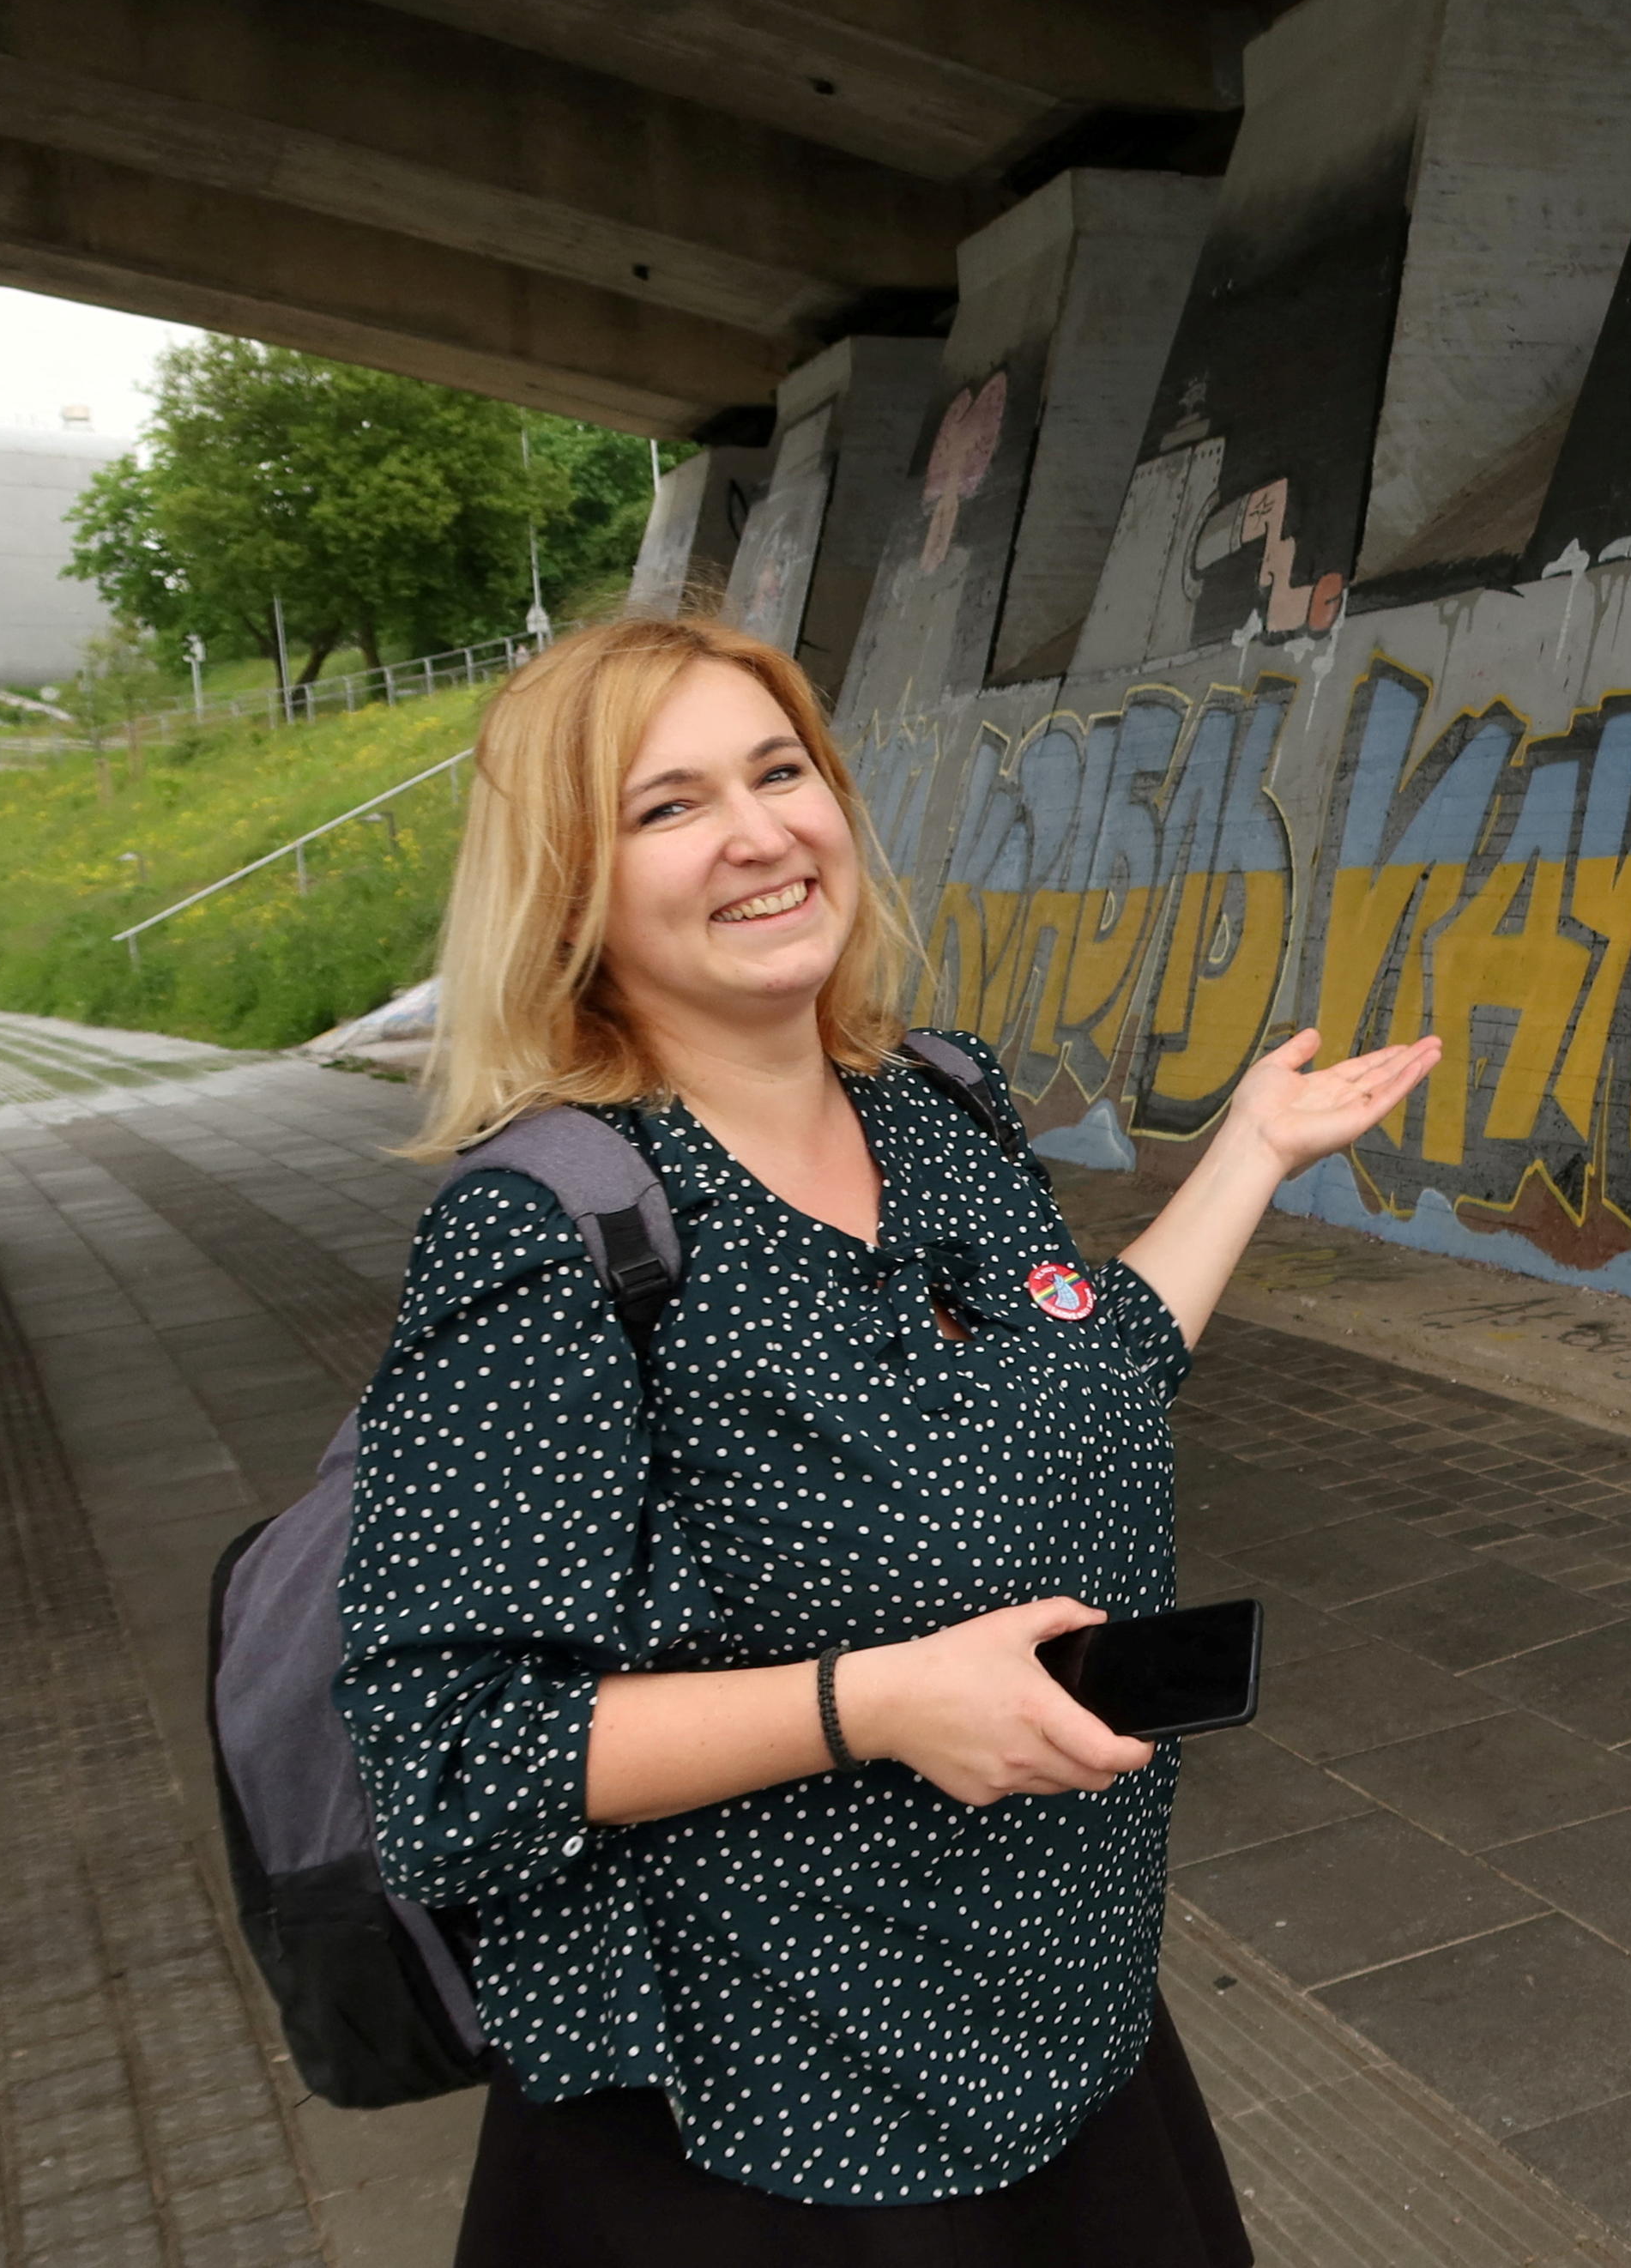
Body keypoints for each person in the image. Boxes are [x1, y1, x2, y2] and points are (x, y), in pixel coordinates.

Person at [335, 614, 1436, 2265]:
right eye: (670, 805)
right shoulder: (546, 1231)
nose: (762, 831)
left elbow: (1092, 1367)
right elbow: (446, 1766)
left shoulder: (939, 1104)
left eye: (781, 771)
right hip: (765, 2126)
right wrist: (879, 1705)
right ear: (572, 887)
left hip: (1063, 2034)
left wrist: (1252, 1155)